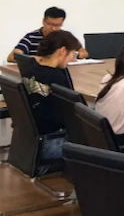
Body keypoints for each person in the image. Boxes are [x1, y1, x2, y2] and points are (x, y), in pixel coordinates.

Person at [20, 30, 82, 160]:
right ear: (63, 51)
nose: (73, 59)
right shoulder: (56, 78)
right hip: (52, 144)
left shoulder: (29, 71)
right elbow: (69, 115)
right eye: (73, 54)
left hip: (31, 144)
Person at [7, 6, 88, 62]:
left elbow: (84, 53)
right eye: (50, 24)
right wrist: (44, 59)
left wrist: (73, 55)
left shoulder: (65, 37)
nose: (53, 28)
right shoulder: (31, 37)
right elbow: (12, 57)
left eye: (58, 25)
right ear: (43, 21)